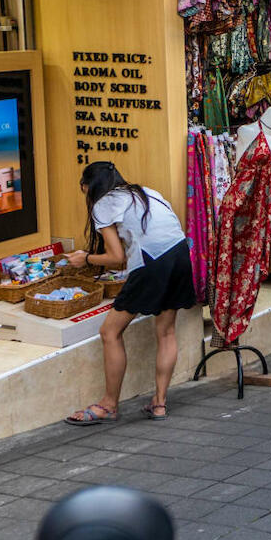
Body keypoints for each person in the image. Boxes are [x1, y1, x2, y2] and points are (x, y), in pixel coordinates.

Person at [63, 162, 194, 425]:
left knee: (109, 332)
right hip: (180, 254)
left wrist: (86, 259)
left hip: (153, 262)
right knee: (166, 330)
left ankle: (109, 405)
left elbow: (116, 256)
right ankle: (159, 403)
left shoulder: (103, 204)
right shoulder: (146, 192)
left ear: (90, 187)